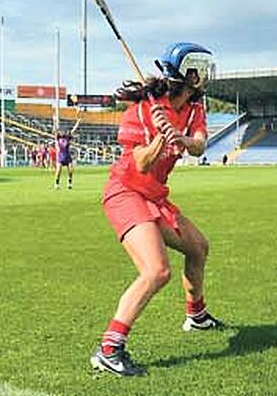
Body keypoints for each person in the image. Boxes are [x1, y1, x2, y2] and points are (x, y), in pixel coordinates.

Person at [91, 42, 222, 377]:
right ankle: (109, 348)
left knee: (198, 248)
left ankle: (196, 316)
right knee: (156, 271)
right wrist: (159, 140)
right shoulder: (140, 110)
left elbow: (200, 145)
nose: (207, 75)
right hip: (126, 193)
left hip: (156, 197)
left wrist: (180, 136)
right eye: (202, 68)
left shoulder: (194, 108)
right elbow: (142, 163)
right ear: (188, 73)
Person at [54, 117, 81, 190]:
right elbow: (55, 129)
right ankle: (57, 183)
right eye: (60, 131)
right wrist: (55, 120)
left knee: (70, 170)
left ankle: (69, 183)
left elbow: (73, 130)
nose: (62, 132)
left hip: (67, 156)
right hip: (60, 157)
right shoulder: (58, 138)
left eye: (63, 131)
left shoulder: (67, 137)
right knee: (58, 170)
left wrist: (78, 122)